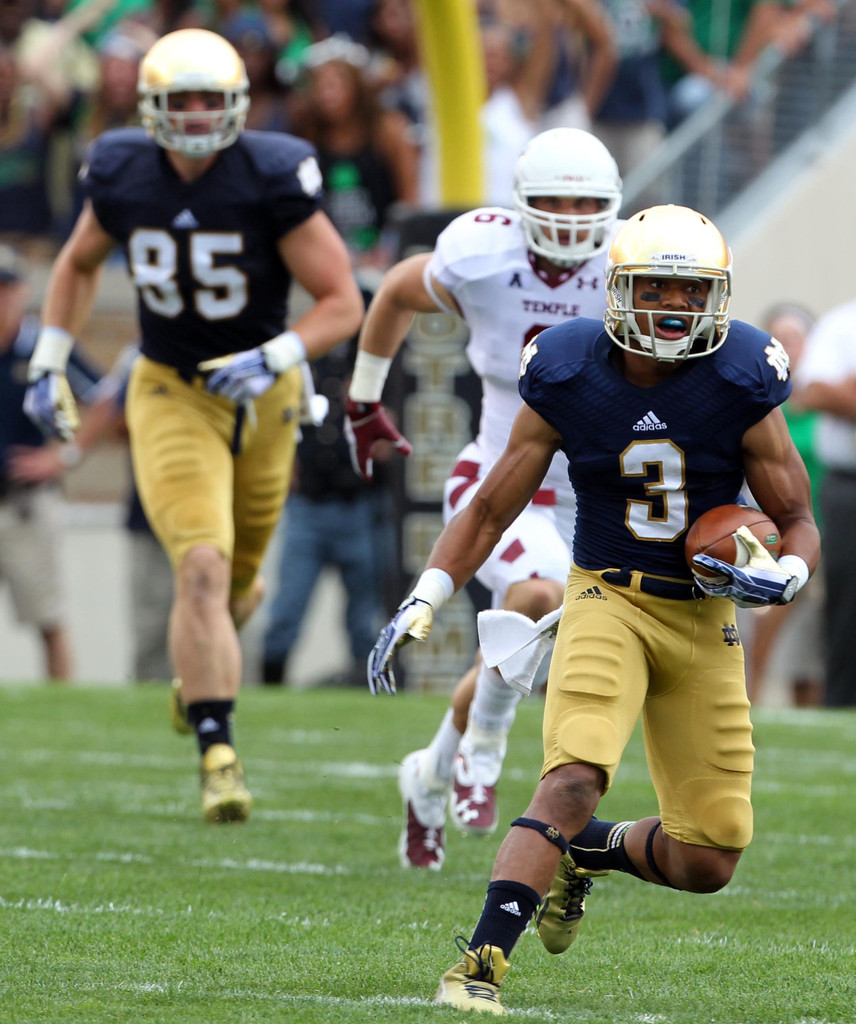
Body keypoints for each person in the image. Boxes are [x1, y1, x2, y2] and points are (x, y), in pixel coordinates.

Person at [368, 204, 819, 1013]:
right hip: (606, 594)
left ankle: (588, 852)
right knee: (573, 776)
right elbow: (490, 506)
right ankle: (478, 965)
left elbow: (798, 521)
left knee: (710, 856)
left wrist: (787, 573)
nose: (676, 308)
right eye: (657, 288)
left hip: (702, 618)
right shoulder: (570, 367)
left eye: (692, 291)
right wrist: (428, 592)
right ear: (619, 290)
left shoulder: (745, 372)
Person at [23, 28, 364, 822]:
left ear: (240, 102)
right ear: (153, 107)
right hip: (172, 389)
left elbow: (342, 300)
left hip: (266, 395)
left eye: (215, 98)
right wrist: (49, 357)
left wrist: (275, 352)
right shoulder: (121, 169)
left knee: (237, 586)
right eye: (185, 100)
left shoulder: (271, 174)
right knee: (202, 571)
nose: (202, 114)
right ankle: (219, 752)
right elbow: (75, 263)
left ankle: (197, 680)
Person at [345, 126, 623, 870]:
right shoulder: (482, 254)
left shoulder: (631, 267)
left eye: (585, 203)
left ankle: (431, 768)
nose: (569, 218)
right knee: (531, 598)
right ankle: (484, 753)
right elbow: (400, 288)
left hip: (592, 494)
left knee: (526, 641)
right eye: (553, 201)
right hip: (500, 477)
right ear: (521, 206)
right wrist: (366, 396)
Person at [261, 327, 392, 687]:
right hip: (307, 508)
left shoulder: (378, 366)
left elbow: (392, 440)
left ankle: (372, 696)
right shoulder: (296, 363)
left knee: (365, 619)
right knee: (286, 613)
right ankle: (270, 691)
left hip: (361, 506)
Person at [0, 242, 102, 682]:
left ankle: (63, 702)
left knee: (49, 617)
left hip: (25, 502)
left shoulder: (42, 345)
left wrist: (63, 456)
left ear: (21, 292)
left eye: (5, 288)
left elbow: (105, 398)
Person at [744, 302, 824, 706]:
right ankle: (749, 708)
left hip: (827, 532)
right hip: (773, 537)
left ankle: (818, 720)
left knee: (813, 652)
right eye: (780, 338)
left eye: (795, 337)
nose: (789, 347)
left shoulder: (826, 402)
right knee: (761, 633)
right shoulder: (760, 401)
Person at [792, 297, 856, 707]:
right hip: (849, 484)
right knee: (847, 602)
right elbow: (810, 391)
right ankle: (842, 703)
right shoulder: (843, 323)